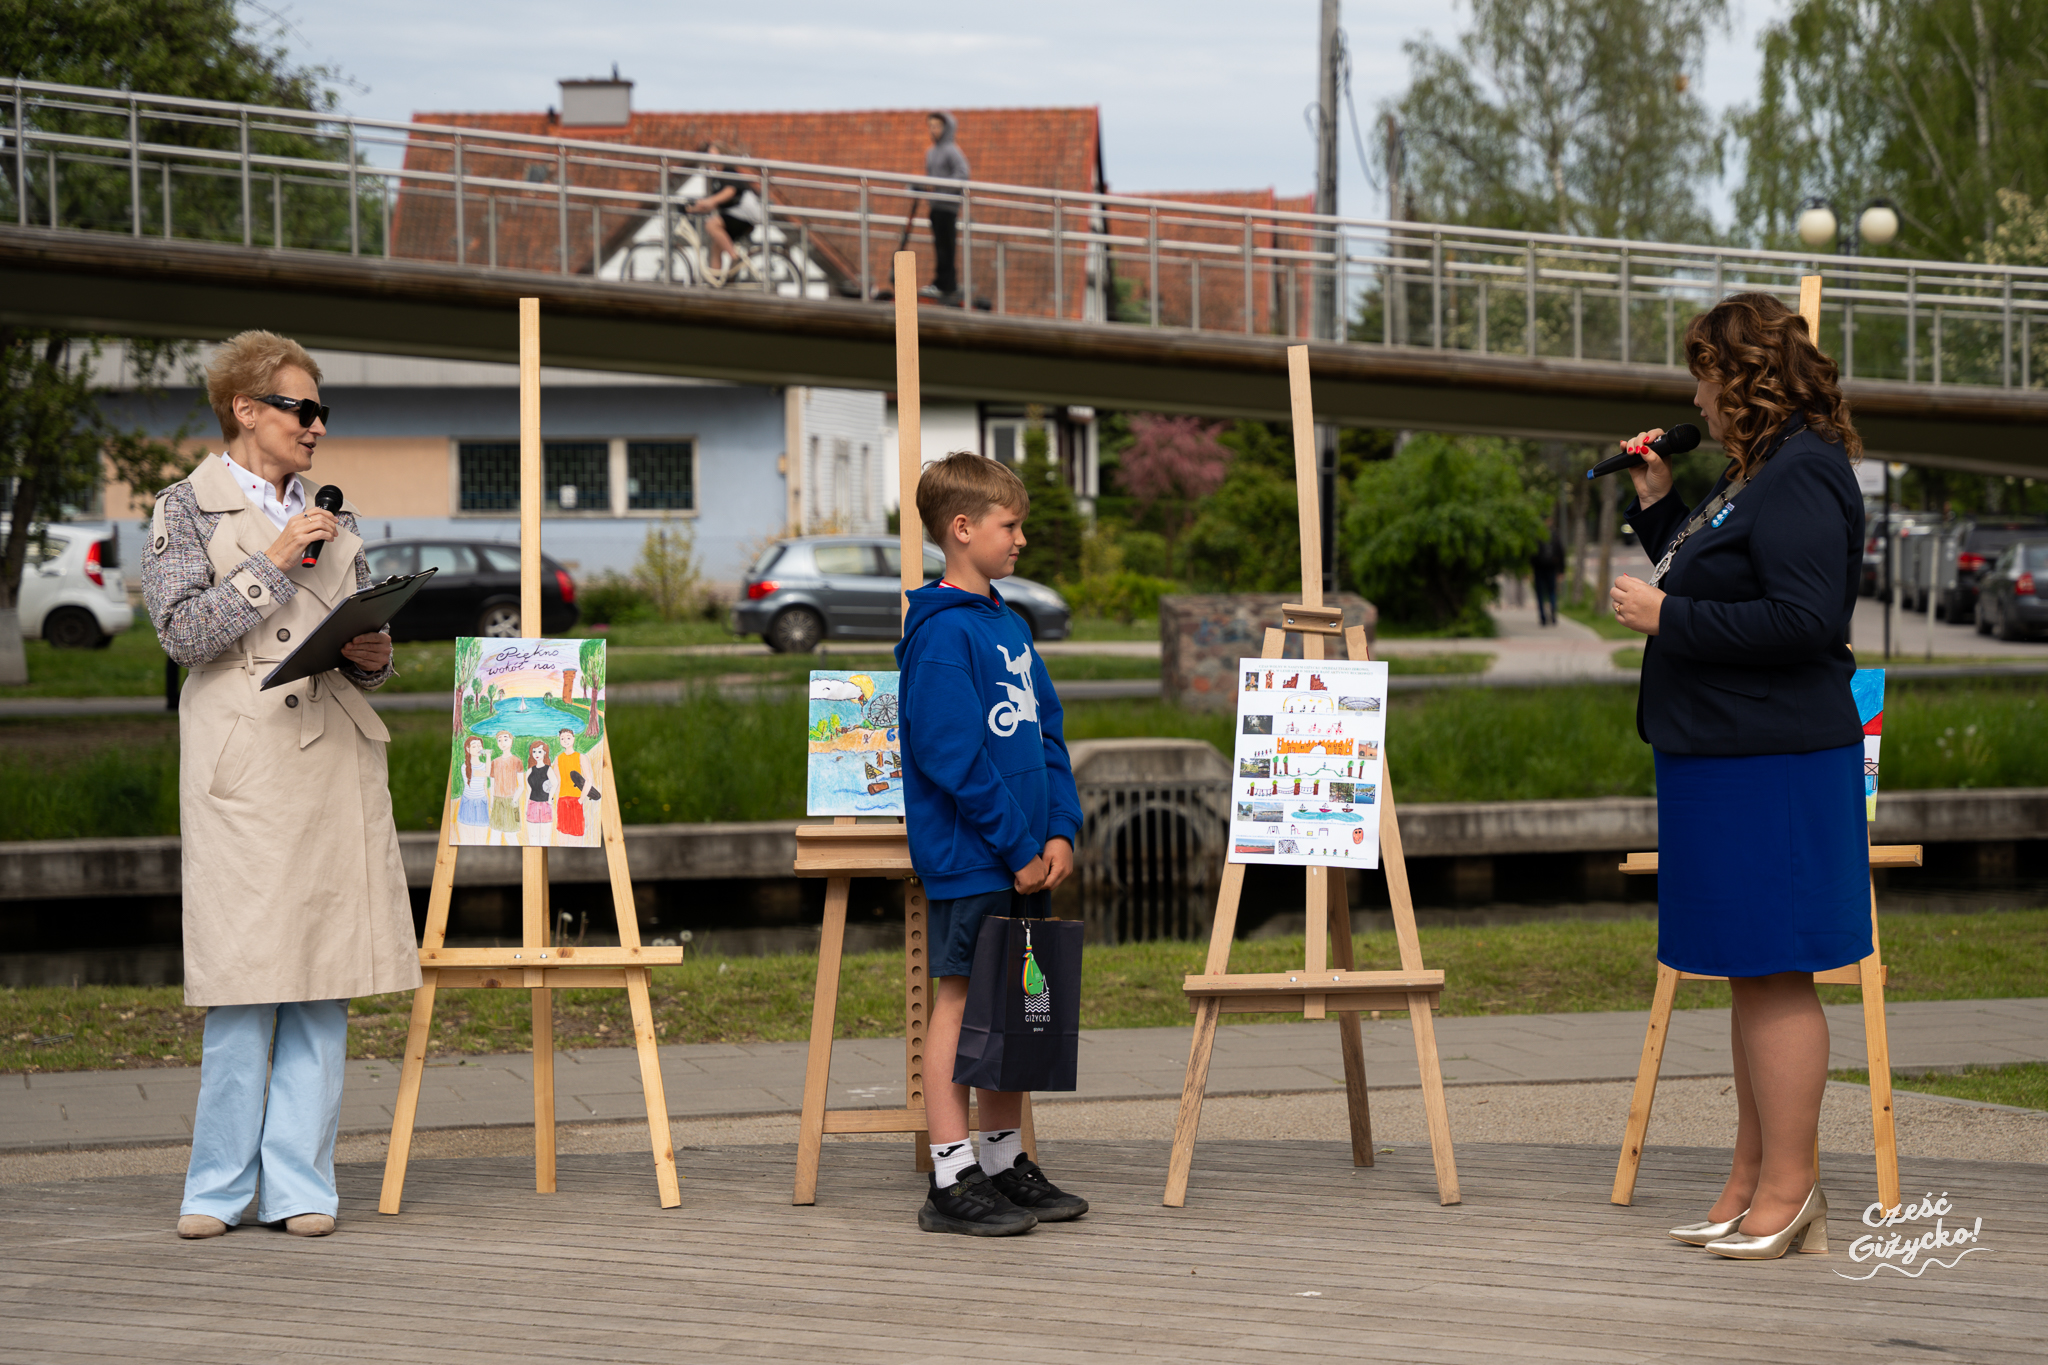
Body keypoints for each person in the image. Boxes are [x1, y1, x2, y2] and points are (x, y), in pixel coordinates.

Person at [1608, 292, 1869, 1262]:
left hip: (1772, 759)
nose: (1694, 395)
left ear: (1739, 374)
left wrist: (1665, 620)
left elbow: (1803, 621)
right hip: (1718, 755)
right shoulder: (1748, 476)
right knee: (1745, 971)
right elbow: (1711, 576)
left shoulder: (1801, 471)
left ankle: (1790, 1190)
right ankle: (1747, 1181)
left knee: (1774, 969)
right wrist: (1656, 505)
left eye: (1700, 374)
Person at [143, 330, 421, 1240]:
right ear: (247, 411)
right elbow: (183, 635)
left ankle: (302, 1184)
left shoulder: (335, 515)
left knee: (320, 977)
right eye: (302, 408)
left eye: (321, 410)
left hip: (329, 761)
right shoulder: (185, 508)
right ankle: (217, 1186)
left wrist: (373, 655)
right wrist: (274, 565)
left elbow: (358, 633)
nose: (316, 424)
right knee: (243, 978)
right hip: (245, 771)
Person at [896, 452, 1086, 1236]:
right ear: (962, 528)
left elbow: (1047, 731)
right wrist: (1013, 843)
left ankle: (1005, 1160)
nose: (1021, 540)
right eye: (1011, 526)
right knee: (962, 1001)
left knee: (1016, 1008)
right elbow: (951, 754)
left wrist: (1058, 827)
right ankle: (951, 1172)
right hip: (976, 856)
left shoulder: (1008, 623)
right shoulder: (940, 634)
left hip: (1024, 853)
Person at [684, 143, 759, 282]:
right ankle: (716, 281)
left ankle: (735, 258)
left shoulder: (727, 170)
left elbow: (730, 191)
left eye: (713, 154)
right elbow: (714, 204)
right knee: (716, 246)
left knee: (711, 225)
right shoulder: (717, 177)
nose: (710, 158)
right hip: (736, 214)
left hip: (743, 213)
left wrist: (709, 201)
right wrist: (692, 208)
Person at [921, 112, 969, 305]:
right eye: (931, 126)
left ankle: (948, 285)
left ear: (946, 128)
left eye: (938, 126)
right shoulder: (930, 152)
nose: (934, 130)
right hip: (935, 205)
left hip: (948, 206)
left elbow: (963, 174)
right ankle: (940, 283)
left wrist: (941, 187)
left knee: (947, 247)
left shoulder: (952, 150)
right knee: (938, 245)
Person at [488, 729, 523, 846]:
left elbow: (521, 785)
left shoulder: (517, 761)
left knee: (510, 834)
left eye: (505, 739)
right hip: (498, 800)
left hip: (511, 800)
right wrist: (492, 801)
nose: (502, 742)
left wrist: (514, 800)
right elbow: (492, 784)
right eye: (499, 740)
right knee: (495, 833)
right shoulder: (494, 762)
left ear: (511, 741)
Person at [554, 726, 589, 841]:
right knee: (562, 834)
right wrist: (557, 799)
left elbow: (588, 780)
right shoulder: (558, 759)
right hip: (562, 799)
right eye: (562, 738)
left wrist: (581, 799)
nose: (565, 740)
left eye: (568, 738)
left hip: (576, 799)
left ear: (573, 739)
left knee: (577, 833)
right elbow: (557, 781)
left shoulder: (581, 757)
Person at [1530, 517, 1564, 626]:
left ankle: (1543, 617)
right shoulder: (1554, 535)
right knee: (1551, 592)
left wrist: (1530, 569)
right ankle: (1553, 612)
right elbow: (1561, 553)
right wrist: (1561, 570)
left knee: (1540, 593)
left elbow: (1532, 553)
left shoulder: (1537, 535)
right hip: (1551, 568)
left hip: (1539, 568)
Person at [524, 738, 557, 845]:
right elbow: (528, 790)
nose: (536, 754)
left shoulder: (548, 769)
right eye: (534, 751)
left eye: (539, 751)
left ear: (545, 753)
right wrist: (526, 806)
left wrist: (549, 798)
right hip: (532, 803)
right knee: (533, 835)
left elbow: (555, 784)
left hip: (545, 804)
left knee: (545, 835)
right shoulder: (529, 771)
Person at [457, 735, 491, 836]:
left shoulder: (483, 765)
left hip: (481, 801)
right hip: (468, 801)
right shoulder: (465, 767)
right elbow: (487, 773)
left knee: (482, 832)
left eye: (480, 746)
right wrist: (488, 757)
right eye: (474, 746)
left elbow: (485, 784)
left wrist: (487, 799)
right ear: (468, 749)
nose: (478, 748)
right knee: (468, 832)